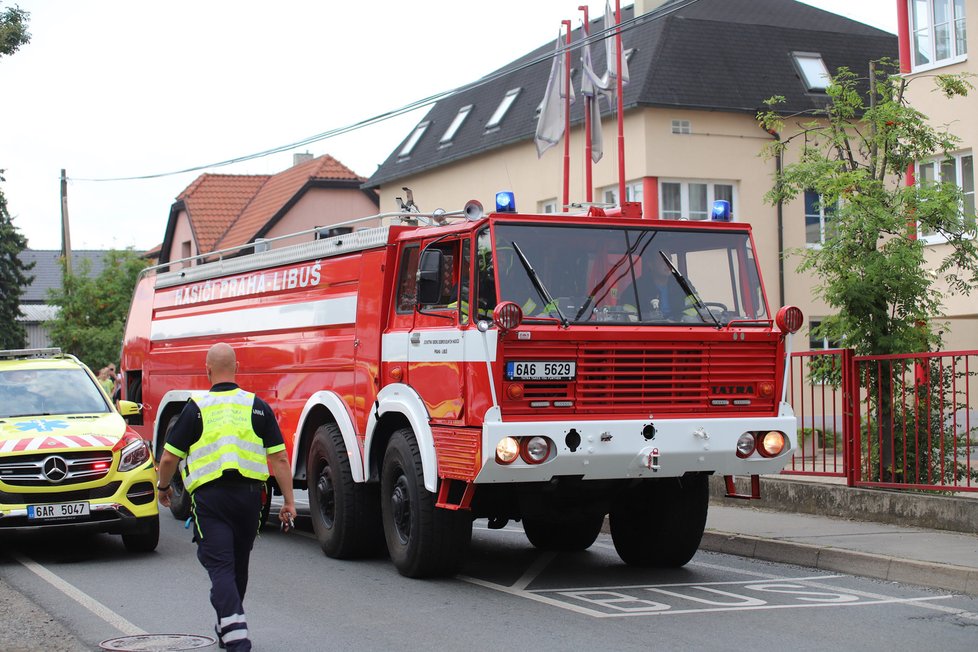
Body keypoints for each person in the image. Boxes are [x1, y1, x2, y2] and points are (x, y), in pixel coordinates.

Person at [157, 342, 297, 652]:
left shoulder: (196, 408)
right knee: (237, 566)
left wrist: (163, 488)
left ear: (207, 370)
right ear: (237, 368)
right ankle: (227, 626)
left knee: (220, 567)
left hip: (211, 501)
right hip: (249, 500)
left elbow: (168, 459)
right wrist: (288, 501)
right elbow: (280, 460)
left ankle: (238, 639)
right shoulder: (257, 406)